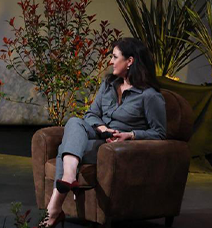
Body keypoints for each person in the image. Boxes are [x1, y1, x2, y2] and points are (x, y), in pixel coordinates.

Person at [40, 37, 166, 227]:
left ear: (130, 61)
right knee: (74, 121)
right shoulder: (108, 84)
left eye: (115, 57)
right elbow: (91, 114)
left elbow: (160, 133)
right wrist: (102, 128)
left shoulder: (149, 96)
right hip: (97, 134)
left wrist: (130, 135)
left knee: (65, 148)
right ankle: (68, 177)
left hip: (114, 148)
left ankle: (53, 210)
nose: (110, 61)